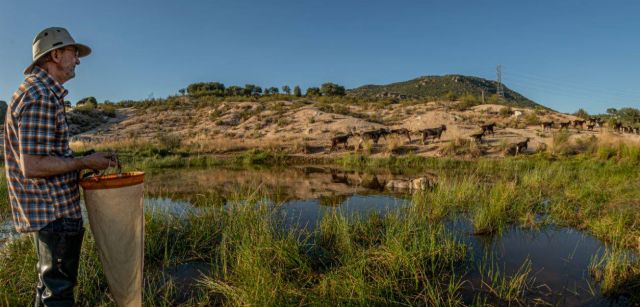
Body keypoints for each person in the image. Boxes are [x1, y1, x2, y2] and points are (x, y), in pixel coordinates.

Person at [4, 27, 115, 306]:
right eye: (72, 53)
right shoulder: (40, 95)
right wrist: (85, 162)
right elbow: (33, 165)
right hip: (55, 214)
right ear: (55, 54)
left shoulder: (40, 92)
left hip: (50, 214)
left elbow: (48, 155)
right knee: (59, 295)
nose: (77, 60)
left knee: (49, 288)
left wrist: (86, 158)